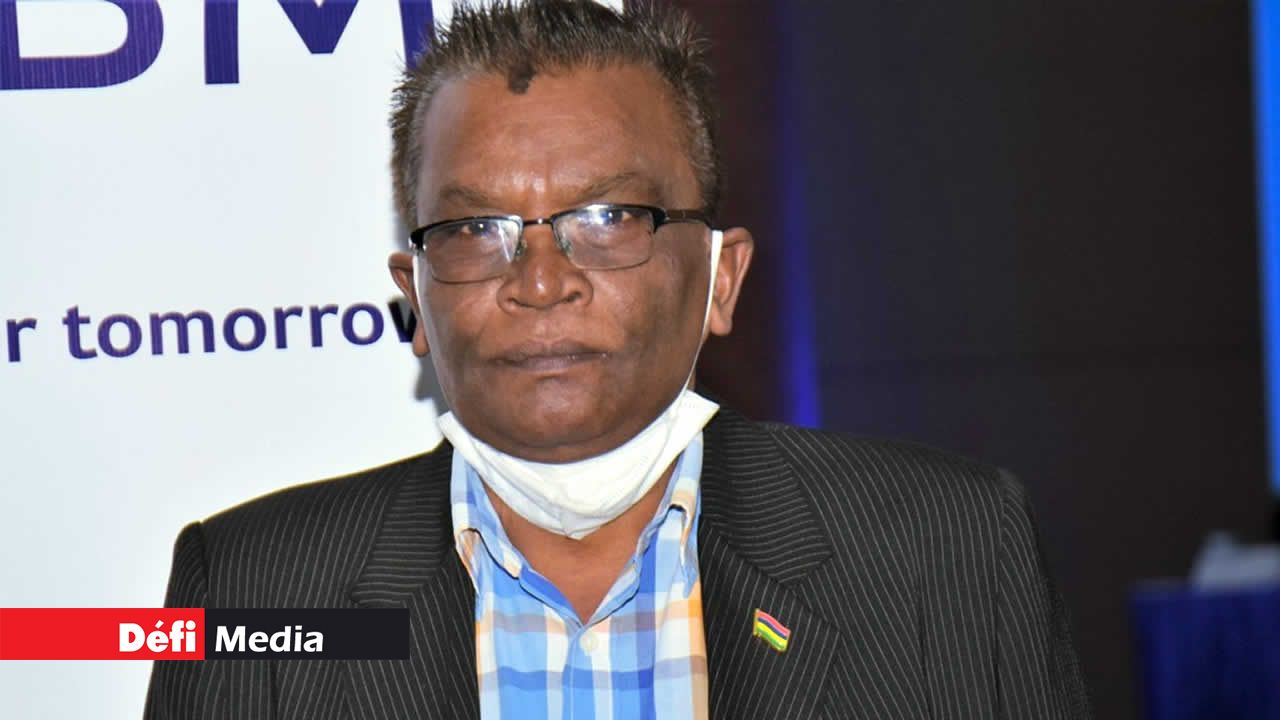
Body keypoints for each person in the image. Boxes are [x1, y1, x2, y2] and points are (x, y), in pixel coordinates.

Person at [146, 1, 1090, 718]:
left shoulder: (943, 549)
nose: (541, 281)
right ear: (417, 296)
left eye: (608, 218)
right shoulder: (252, 589)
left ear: (720, 279)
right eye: (476, 229)